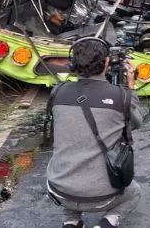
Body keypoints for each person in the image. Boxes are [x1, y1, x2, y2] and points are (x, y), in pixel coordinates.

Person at [46, 37, 142, 228]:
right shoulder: (120, 96)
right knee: (134, 192)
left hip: (58, 191)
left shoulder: (57, 92)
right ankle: (106, 224)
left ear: (72, 64)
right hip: (102, 197)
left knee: (69, 157)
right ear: (107, 62)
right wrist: (131, 89)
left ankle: (71, 220)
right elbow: (136, 122)